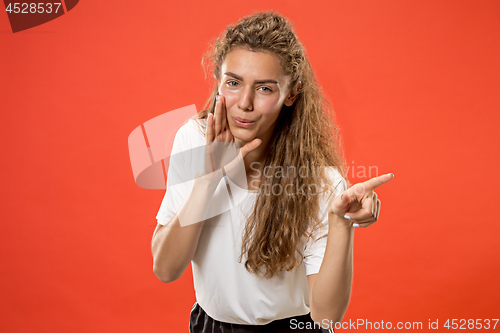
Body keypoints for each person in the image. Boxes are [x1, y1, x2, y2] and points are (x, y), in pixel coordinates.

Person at [151, 11, 393, 332]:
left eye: (264, 89)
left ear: (290, 94)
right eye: (233, 83)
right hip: (211, 324)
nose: (244, 103)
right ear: (219, 81)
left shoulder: (321, 182)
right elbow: (166, 268)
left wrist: (341, 223)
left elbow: (326, 317)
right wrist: (207, 184)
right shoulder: (195, 139)